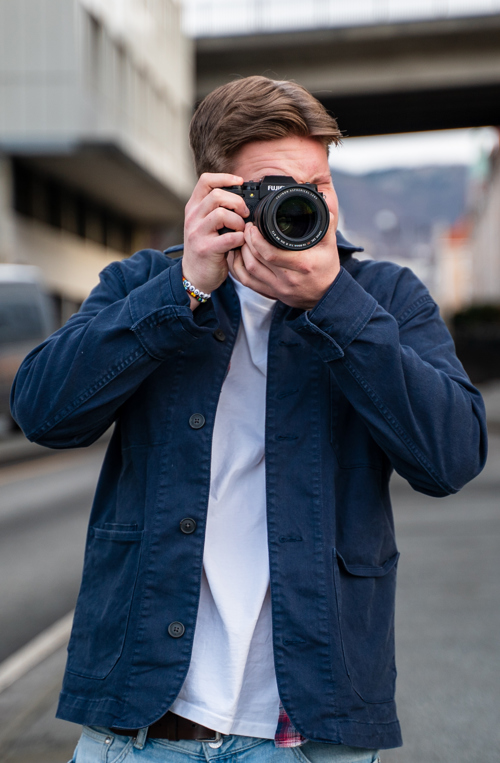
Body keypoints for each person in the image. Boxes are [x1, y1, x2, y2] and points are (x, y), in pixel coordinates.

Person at [11, 76, 487, 763]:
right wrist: (186, 289)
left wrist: (332, 304)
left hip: (312, 732)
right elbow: (43, 411)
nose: (304, 204)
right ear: (215, 193)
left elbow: (452, 456)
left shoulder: (381, 298)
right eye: (274, 187)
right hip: (144, 730)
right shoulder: (144, 287)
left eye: (319, 186)